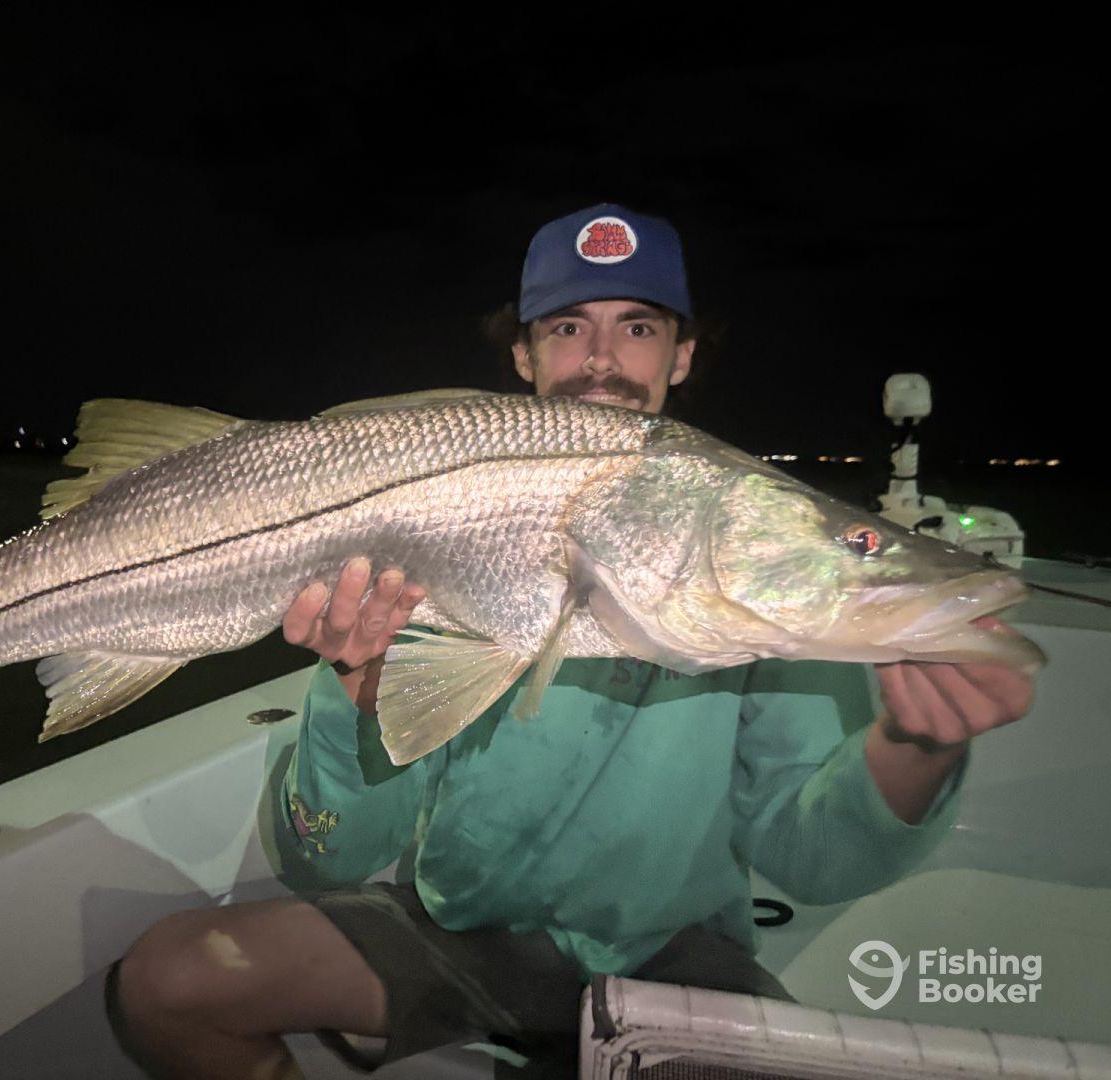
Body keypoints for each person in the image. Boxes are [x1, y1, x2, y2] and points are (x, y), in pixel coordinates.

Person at [106, 204, 1036, 1080]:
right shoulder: (433, 521)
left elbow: (816, 862)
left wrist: (919, 744)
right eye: (566, 327)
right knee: (168, 985)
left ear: (682, 355)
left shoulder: (770, 603)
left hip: (677, 960)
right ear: (524, 355)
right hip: (453, 933)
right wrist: (357, 680)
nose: (602, 358)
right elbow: (323, 858)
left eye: (637, 326)